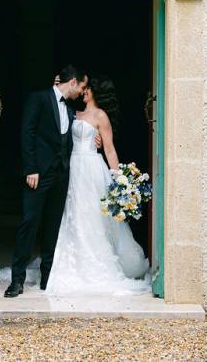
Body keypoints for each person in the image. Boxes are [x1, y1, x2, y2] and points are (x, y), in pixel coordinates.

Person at [44, 74, 150, 296]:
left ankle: (94, 261)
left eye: (87, 88)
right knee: (73, 212)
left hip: (92, 168)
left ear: (95, 91)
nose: (83, 91)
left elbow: (109, 149)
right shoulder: (73, 112)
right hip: (73, 166)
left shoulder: (100, 116)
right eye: (83, 88)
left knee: (92, 214)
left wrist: (119, 181)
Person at [4, 65, 88, 297]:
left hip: (61, 175)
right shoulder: (38, 98)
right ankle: (17, 280)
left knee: (52, 226)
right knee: (29, 222)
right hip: (38, 174)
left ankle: (47, 278)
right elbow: (27, 133)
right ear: (72, 82)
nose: (82, 92)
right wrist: (31, 168)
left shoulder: (71, 108)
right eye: (81, 87)